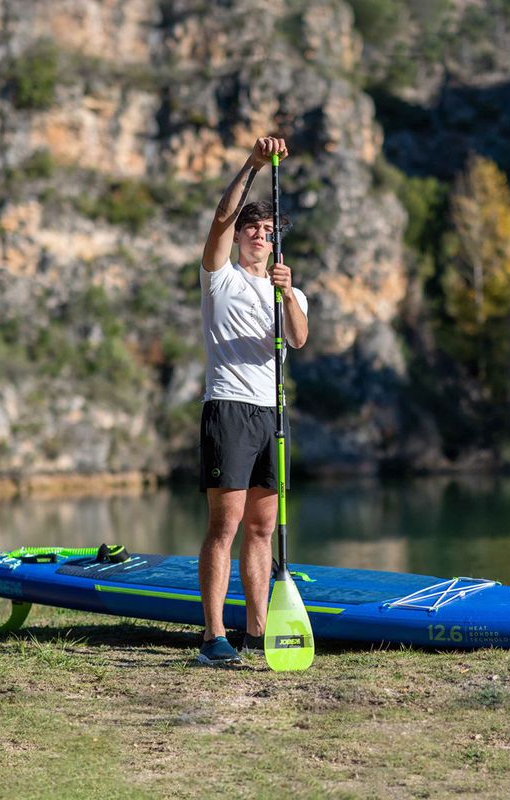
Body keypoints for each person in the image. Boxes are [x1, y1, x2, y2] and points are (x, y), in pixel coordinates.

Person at [197, 136, 308, 666]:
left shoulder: (287, 288)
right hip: (229, 409)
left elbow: (300, 339)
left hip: (272, 415)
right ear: (241, 237)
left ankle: (257, 632)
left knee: (262, 527)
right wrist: (254, 164)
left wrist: (286, 295)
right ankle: (213, 637)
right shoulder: (220, 277)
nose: (262, 238)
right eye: (254, 230)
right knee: (226, 524)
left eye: (270, 232)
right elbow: (220, 218)